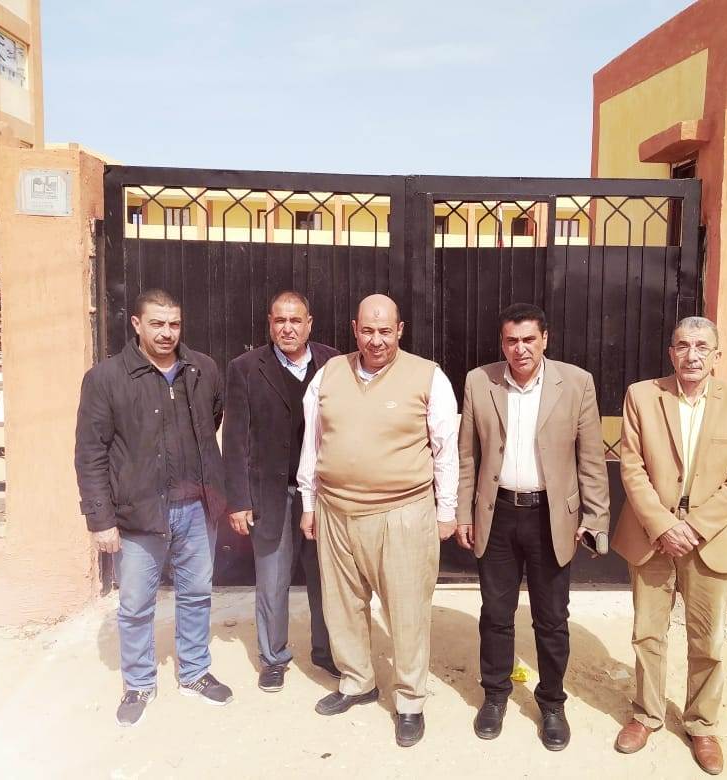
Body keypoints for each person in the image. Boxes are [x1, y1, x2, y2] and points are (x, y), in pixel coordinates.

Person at [297, 293, 458, 748]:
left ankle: (409, 700)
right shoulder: (329, 374)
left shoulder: (428, 376)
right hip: (335, 510)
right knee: (342, 605)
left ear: (400, 331)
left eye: (385, 331)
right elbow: (313, 442)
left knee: (407, 610)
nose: (376, 340)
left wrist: (446, 511)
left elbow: (445, 449)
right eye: (367, 330)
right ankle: (357, 681)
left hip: (402, 513)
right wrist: (309, 502)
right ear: (355, 329)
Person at [75, 288, 233, 727]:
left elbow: (212, 419)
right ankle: (140, 683)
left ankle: (195, 672)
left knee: (197, 594)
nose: (167, 333)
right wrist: (101, 519)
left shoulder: (202, 369)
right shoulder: (106, 379)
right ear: (137, 324)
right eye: (157, 324)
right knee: (135, 605)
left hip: (197, 508)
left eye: (174, 324)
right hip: (139, 513)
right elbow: (90, 453)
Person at [456, 302, 610, 751]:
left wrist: (595, 518)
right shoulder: (479, 381)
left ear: (545, 339)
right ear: (502, 343)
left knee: (552, 618)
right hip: (498, 513)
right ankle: (495, 695)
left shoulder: (576, 383)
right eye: (511, 340)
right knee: (495, 614)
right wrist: (463, 513)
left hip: (551, 517)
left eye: (528, 339)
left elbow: (591, 459)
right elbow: (467, 456)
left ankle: (552, 703)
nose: (519, 349)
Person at [611, 316, 727, 775]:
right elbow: (631, 466)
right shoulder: (642, 395)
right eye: (682, 345)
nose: (692, 355)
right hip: (652, 534)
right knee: (647, 632)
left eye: (701, 347)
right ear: (671, 352)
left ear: (717, 355)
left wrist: (693, 528)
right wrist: (663, 525)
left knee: (708, 638)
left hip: (709, 538)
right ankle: (646, 714)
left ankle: (701, 723)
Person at [222, 290, 340, 691]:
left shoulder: (333, 363)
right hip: (271, 495)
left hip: (322, 494)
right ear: (270, 324)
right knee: (272, 579)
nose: (287, 328)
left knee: (326, 577)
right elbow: (235, 439)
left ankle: (327, 652)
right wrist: (239, 500)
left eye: (295, 321)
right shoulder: (245, 368)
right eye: (280, 321)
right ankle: (273, 657)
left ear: (309, 324)